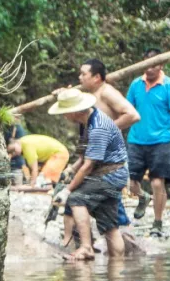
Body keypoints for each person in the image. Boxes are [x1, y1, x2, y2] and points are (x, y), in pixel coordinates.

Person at [61, 58, 141, 246]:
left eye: (83, 74)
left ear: (97, 77)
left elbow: (133, 115)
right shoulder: (90, 97)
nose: (80, 77)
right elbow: (85, 158)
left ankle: (95, 244)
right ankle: (78, 241)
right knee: (99, 207)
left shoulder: (106, 93)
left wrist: (107, 131)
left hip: (109, 163)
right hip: (98, 160)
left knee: (81, 198)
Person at [48, 89, 129, 261]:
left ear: (75, 111)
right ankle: (117, 271)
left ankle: (86, 248)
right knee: (110, 226)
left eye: (65, 113)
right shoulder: (86, 122)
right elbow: (84, 156)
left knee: (77, 198)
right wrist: (70, 170)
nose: (63, 117)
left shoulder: (98, 126)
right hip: (107, 173)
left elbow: (88, 166)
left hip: (110, 175)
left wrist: (67, 191)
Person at [126, 48, 170, 237]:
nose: (150, 68)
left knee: (157, 182)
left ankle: (158, 222)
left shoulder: (169, 85)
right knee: (130, 182)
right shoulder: (136, 84)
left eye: (154, 64)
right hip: (136, 139)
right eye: (147, 64)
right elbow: (126, 109)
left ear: (161, 65)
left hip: (161, 140)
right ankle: (143, 198)